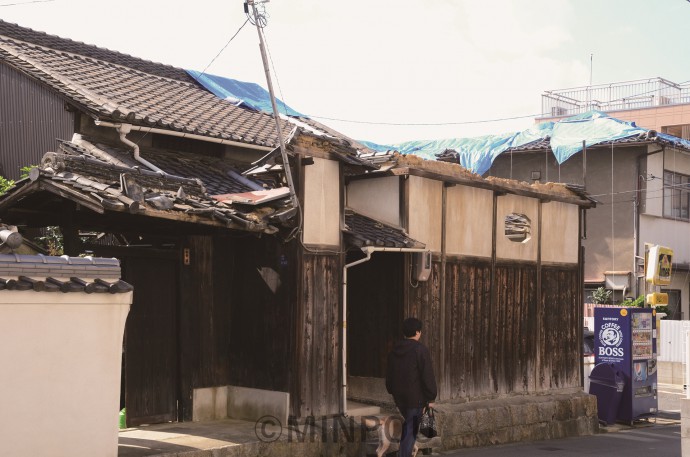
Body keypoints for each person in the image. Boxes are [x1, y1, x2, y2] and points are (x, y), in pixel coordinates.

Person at [385, 317, 437, 457]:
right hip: (415, 398)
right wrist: (431, 397)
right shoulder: (420, 350)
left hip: (399, 397)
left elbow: (389, 374)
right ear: (417, 332)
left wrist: (391, 390)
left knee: (409, 426)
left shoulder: (394, 350)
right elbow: (427, 375)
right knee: (411, 429)